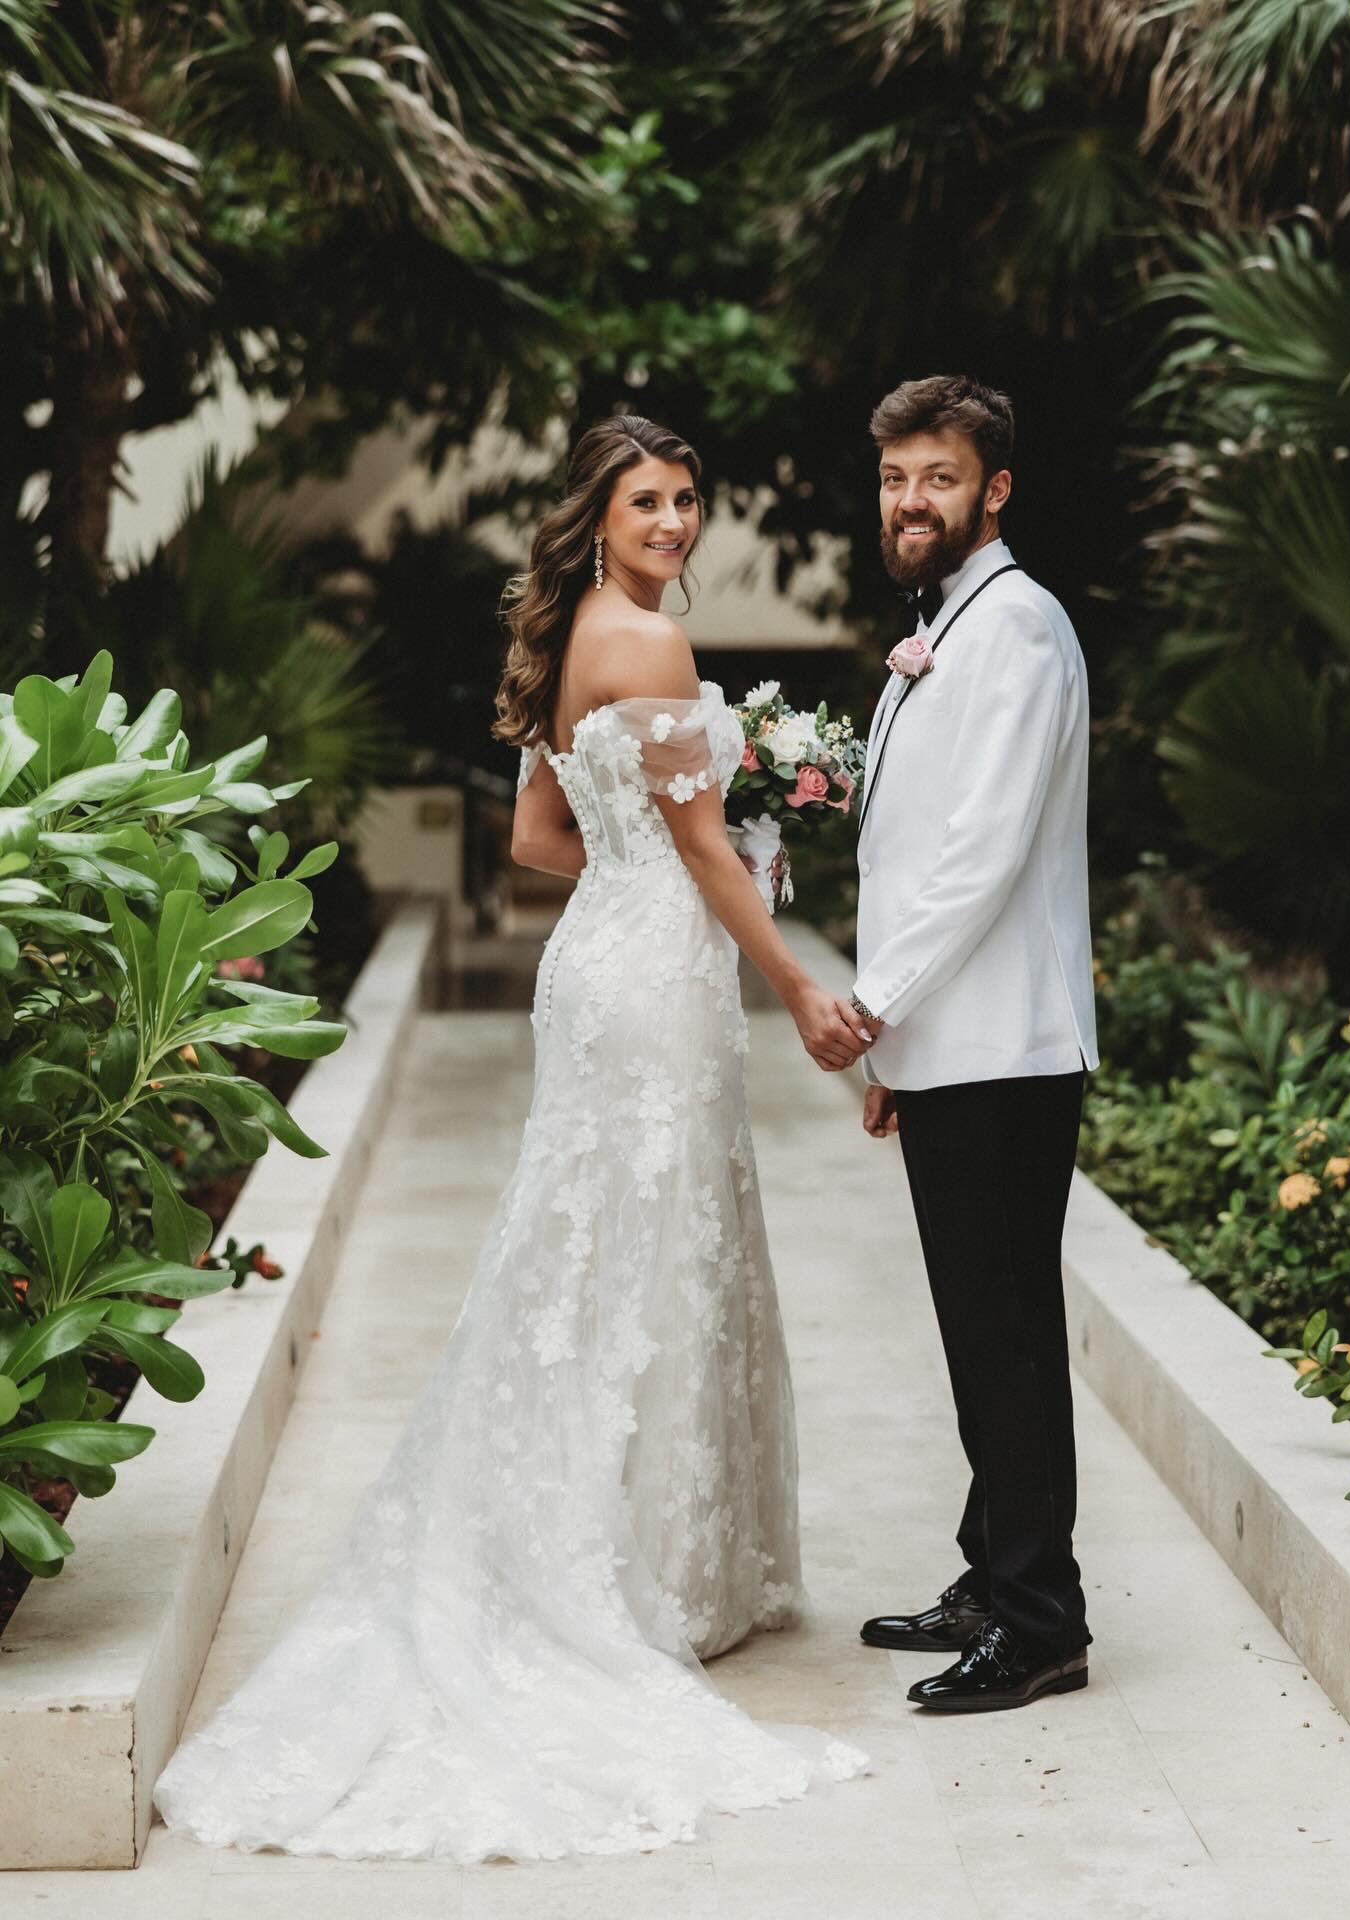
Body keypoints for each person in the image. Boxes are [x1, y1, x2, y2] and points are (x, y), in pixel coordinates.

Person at [151, 414, 871, 1863]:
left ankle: (615, 1540)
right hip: (654, 976)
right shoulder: (651, 643)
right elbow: (700, 848)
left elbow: (544, 841)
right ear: (598, 518)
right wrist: (797, 977)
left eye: (687, 499)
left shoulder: (569, 641)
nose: (673, 521)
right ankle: (650, 1569)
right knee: (655, 1243)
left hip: (594, 960)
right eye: (646, 501)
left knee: (592, 1241)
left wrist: (674, 835)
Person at [848, 374, 1100, 1713]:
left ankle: (1041, 1619)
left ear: (993, 490)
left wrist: (872, 1006)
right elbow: (908, 847)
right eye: (896, 478)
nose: (910, 500)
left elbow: (981, 856)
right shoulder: (945, 624)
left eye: (937, 477)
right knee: (980, 1328)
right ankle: (993, 1575)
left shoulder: (1015, 630)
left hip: (1004, 1043)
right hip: (953, 1041)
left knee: (1003, 1335)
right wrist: (899, 1047)